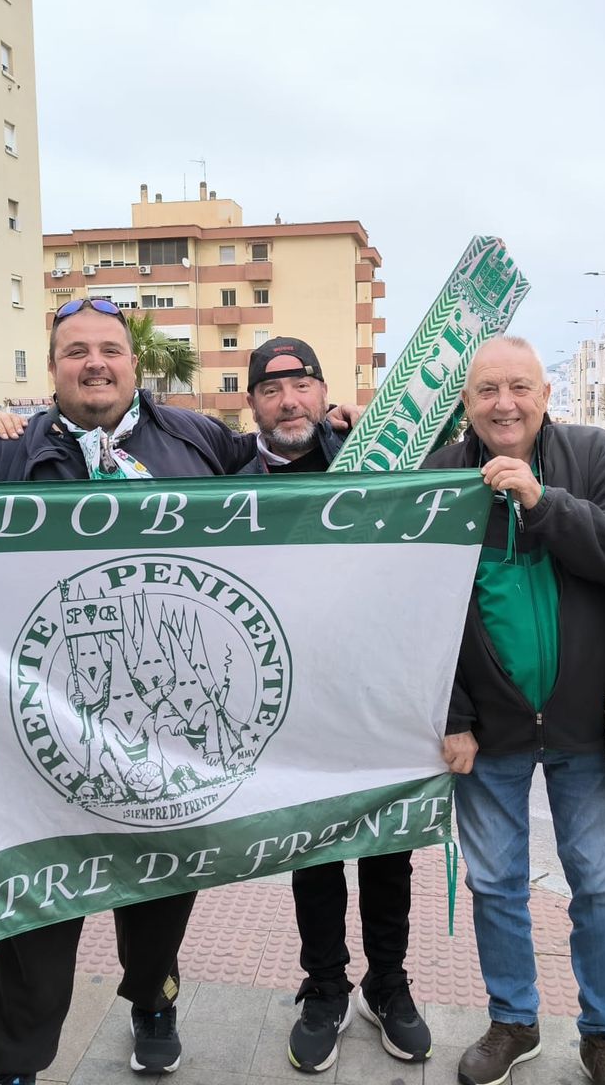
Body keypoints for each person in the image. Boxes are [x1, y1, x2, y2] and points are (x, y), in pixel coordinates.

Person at [0, 298, 261, 1085]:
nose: (96, 363)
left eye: (110, 349)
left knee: (158, 891)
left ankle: (154, 999)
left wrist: (324, 431)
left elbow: (280, 503)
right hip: (39, 726)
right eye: (76, 350)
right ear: (51, 367)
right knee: (35, 912)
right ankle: (15, 1064)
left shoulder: (200, 440)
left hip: (164, 723)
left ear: (134, 361)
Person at [422, 336, 605, 1085]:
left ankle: (604, 1034)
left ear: (545, 395)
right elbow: (422, 612)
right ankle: (513, 1022)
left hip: (585, 729)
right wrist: (453, 714)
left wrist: (540, 500)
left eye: (519, 387)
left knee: (603, 889)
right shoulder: (441, 474)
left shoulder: (591, 455)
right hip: (488, 734)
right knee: (495, 883)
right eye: (487, 390)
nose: (504, 403)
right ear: (466, 402)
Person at [235, 337, 432, 1073]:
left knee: (388, 851)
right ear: (252, 402)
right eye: (272, 388)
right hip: (290, 703)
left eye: (303, 384)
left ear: (325, 393)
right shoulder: (229, 472)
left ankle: (388, 981)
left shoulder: (372, 461)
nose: (290, 400)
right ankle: (325, 987)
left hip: (380, 695)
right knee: (310, 851)